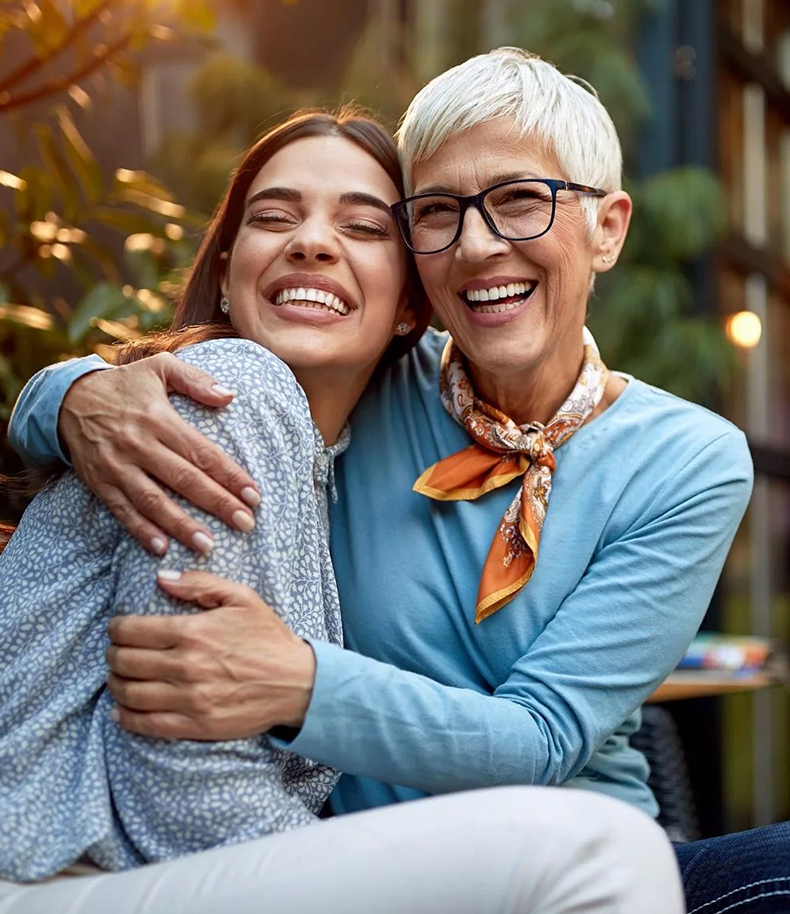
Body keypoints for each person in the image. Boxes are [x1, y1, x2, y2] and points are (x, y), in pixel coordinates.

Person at [9, 48, 780, 912]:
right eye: (439, 211)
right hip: (372, 861)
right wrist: (71, 395)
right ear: (417, 272)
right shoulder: (355, 377)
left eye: (520, 200)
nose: (478, 244)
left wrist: (299, 681)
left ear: (608, 228)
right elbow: (227, 373)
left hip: (568, 842)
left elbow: (544, 735)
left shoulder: (690, 459)